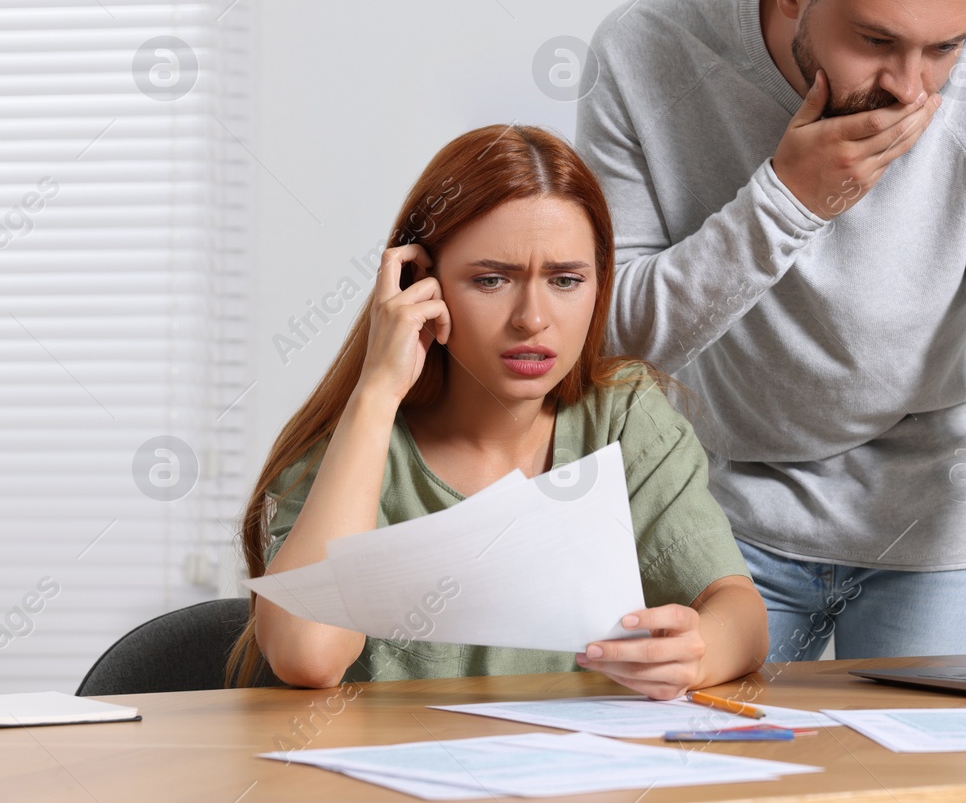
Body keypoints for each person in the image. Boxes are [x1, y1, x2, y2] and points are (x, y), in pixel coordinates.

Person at [576, 0, 966, 664]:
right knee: (701, 781)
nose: (911, 88)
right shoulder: (647, 51)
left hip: (930, 521)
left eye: (946, 46)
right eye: (877, 41)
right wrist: (787, 201)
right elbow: (609, 337)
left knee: (922, 793)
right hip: (719, 516)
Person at [228, 125, 767, 699]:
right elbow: (307, 656)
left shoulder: (625, 418)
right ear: (420, 287)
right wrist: (377, 390)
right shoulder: (355, 445)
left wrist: (697, 653)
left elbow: (741, 614)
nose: (532, 318)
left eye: (565, 280)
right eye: (491, 280)